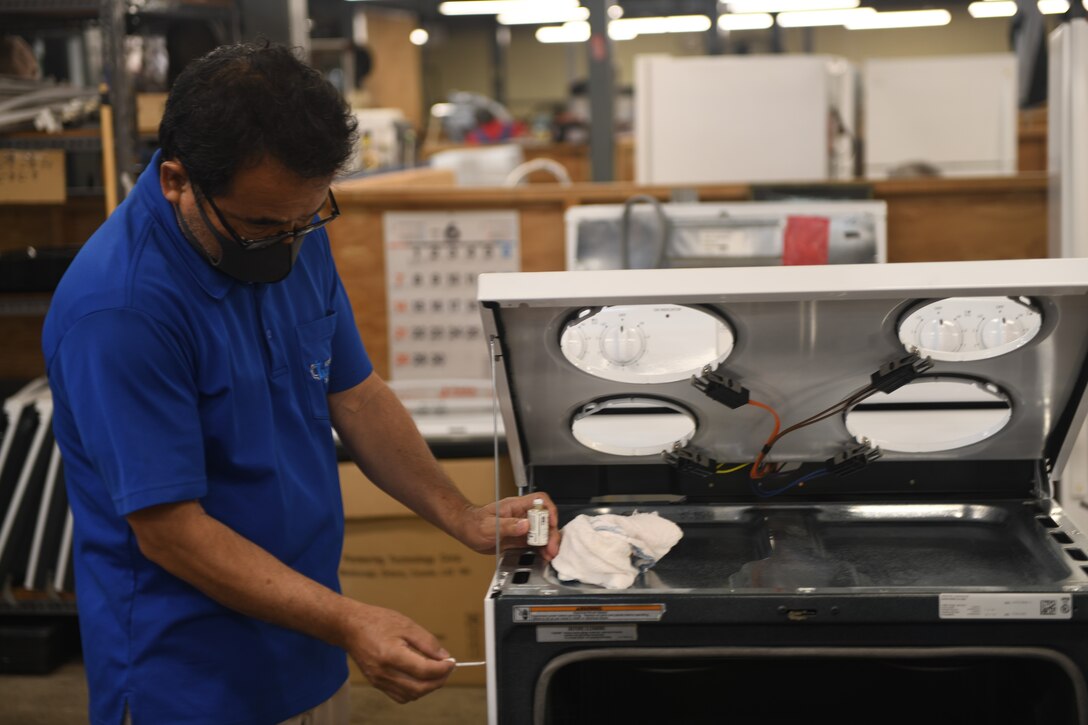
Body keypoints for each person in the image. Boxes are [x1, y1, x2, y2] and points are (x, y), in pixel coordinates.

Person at [42, 40, 558, 725]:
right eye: (264, 225)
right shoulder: (121, 311)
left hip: (307, 639)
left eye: (305, 218)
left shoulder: (285, 222)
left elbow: (357, 395)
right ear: (176, 181)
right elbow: (171, 532)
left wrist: (459, 514)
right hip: (189, 677)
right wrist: (351, 621)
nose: (289, 244)